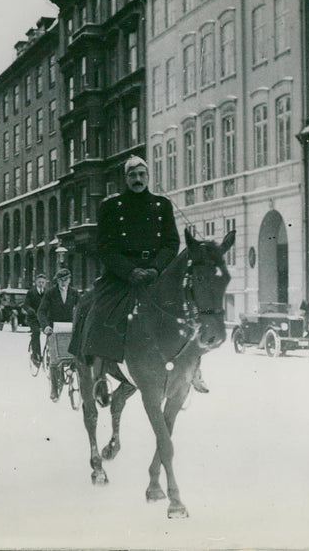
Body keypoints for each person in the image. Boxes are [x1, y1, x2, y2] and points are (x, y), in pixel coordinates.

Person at [76, 155, 208, 407]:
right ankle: (99, 374)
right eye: (132, 175)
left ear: (148, 177)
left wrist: (156, 268)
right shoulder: (111, 206)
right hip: (121, 277)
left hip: (156, 274)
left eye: (141, 174)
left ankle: (193, 368)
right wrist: (129, 271)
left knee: (188, 311)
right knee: (101, 311)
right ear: (126, 178)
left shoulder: (161, 205)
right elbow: (105, 247)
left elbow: (171, 242)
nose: (137, 179)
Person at [38, 268, 79, 401]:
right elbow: (41, 311)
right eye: (60, 280)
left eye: (66, 280)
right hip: (54, 330)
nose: (63, 282)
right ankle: (54, 389)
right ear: (57, 281)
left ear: (69, 280)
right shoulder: (50, 293)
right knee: (55, 360)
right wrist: (46, 326)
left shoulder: (74, 293)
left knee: (76, 357)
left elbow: (81, 309)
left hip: (70, 330)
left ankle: (73, 374)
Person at [23, 273, 48, 367]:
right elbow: (26, 305)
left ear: (45, 283)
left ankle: (50, 353)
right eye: (39, 282)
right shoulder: (31, 292)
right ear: (36, 282)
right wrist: (30, 310)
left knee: (51, 332)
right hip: (33, 318)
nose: (41, 284)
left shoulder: (47, 293)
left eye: (43, 282)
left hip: (43, 318)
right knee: (36, 332)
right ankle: (36, 355)